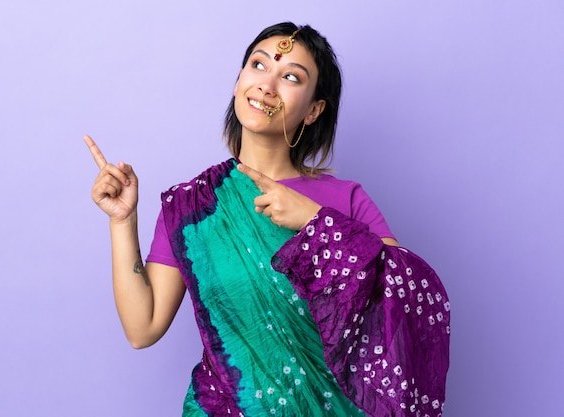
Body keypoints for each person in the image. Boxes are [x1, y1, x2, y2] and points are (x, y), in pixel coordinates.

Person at [85, 22, 450, 417]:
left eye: (291, 76)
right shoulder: (193, 207)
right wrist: (123, 222)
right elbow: (143, 328)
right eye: (259, 65)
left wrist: (316, 222)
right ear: (239, 80)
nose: (267, 84)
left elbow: (408, 300)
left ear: (314, 110)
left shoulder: (345, 200)